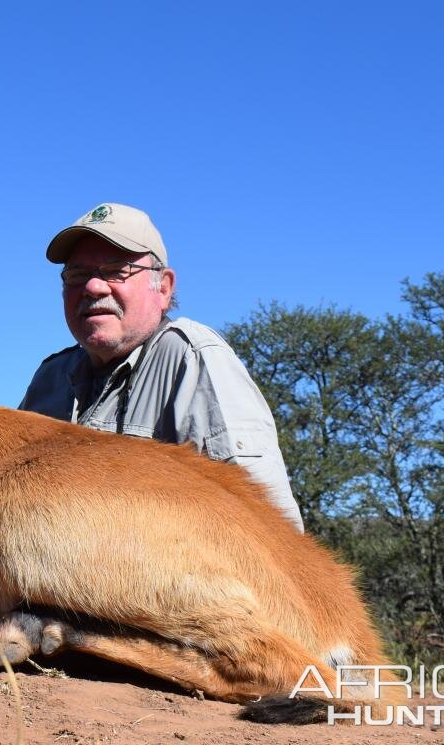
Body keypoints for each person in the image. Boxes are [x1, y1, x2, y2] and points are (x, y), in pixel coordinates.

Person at [19, 203, 304, 529]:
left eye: (116, 270)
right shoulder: (50, 378)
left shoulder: (192, 357)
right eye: (77, 275)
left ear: (164, 288)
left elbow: (270, 533)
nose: (93, 287)